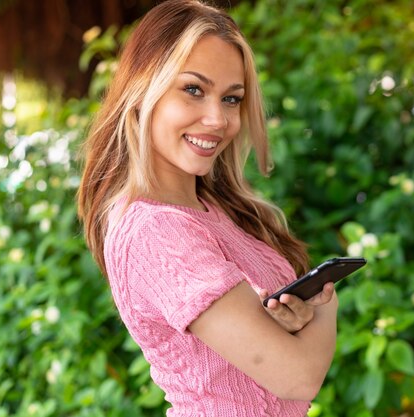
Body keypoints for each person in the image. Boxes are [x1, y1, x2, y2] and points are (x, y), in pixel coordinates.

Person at [77, 1, 338, 415]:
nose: (218, 119)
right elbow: (297, 377)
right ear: (144, 91)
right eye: (193, 90)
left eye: (231, 99)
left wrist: (293, 316)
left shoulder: (213, 210)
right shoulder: (154, 230)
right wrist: (326, 304)